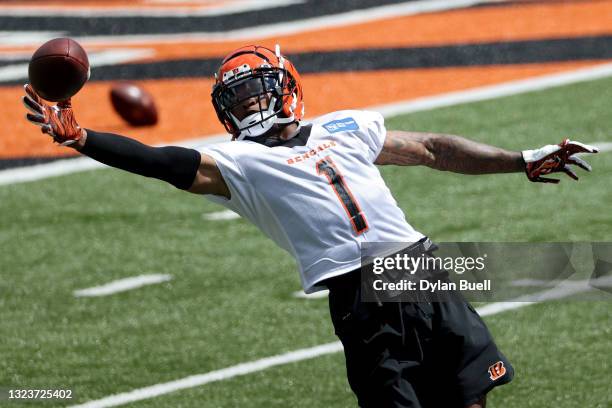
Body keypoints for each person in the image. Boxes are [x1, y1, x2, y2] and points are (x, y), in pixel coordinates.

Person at [22, 44, 598, 408]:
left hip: (423, 269)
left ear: (287, 87)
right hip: (361, 296)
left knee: (470, 397)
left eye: (255, 93)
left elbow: (431, 147)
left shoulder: (344, 127)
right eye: (237, 100)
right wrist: (84, 139)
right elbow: (161, 161)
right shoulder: (240, 166)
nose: (248, 107)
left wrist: (518, 159)